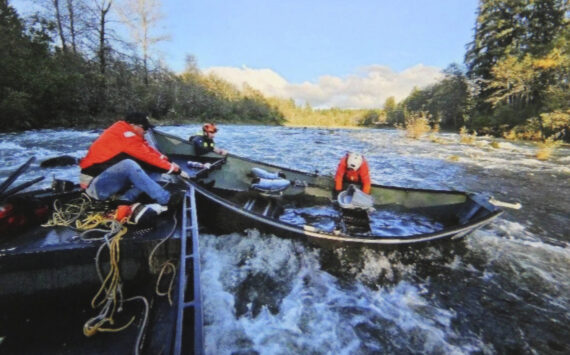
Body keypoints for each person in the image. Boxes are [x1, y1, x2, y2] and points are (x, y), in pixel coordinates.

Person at [79, 112, 189, 206]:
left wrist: (169, 162)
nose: (146, 131)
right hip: (94, 188)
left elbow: (148, 150)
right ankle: (165, 199)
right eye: (145, 128)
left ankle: (125, 199)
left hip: (104, 181)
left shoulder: (127, 131)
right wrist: (176, 170)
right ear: (135, 125)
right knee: (129, 165)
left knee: (154, 169)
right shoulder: (126, 135)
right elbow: (148, 157)